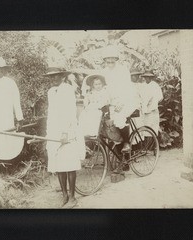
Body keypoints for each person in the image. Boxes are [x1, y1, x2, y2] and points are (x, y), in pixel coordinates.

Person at [73, 45, 138, 152]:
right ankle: (119, 155)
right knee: (107, 126)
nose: (110, 63)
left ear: (116, 59)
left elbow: (127, 88)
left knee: (118, 119)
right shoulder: (103, 72)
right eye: (108, 61)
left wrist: (122, 102)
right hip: (109, 102)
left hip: (126, 100)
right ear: (105, 61)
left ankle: (126, 143)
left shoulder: (123, 70)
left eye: (112, 60)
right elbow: (99, 87)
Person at [44, 67, 85, 208]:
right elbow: (51, 113)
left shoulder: (67, 89)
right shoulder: (51, 92)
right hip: (54, 130)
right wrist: (49, 132)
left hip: (67, 129)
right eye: (51, 77)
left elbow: (70, 111)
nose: (53, 79)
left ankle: (73, 197)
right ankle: (64, 195)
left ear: (62, 77)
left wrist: (66, 132)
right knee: (58, 163)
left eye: (56, 76)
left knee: (69, 163)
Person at [140, 70, 163, 135]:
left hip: (153, 110)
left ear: (151, 77)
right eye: (146, 77)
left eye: (149, 77)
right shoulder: (142, 85)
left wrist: (154, 103)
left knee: (152, 128)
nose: (147, 78)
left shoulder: (155, 86)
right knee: (144, 129)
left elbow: (160, 97)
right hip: (144, 111)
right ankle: (146, 144)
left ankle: (153, 144)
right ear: (144, 77)